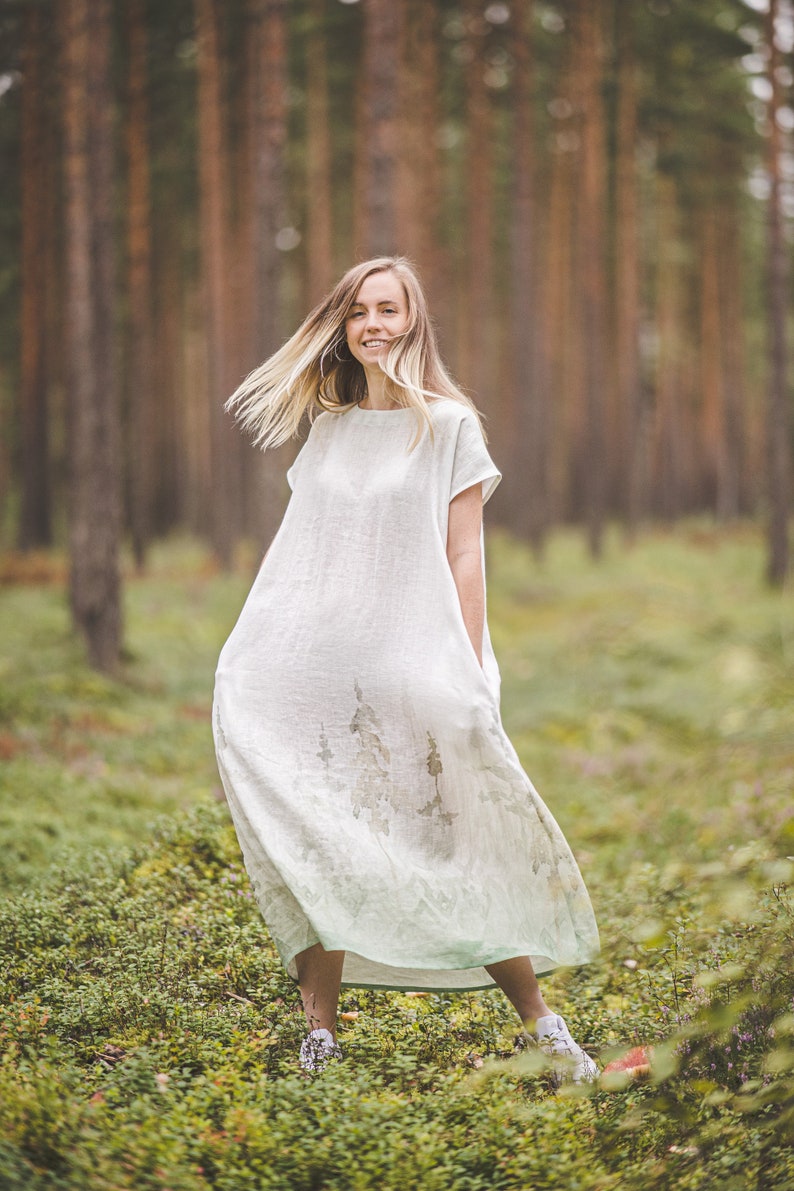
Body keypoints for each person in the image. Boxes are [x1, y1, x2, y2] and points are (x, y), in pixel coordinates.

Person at [213, 256, 600, 1081]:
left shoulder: (450, 424)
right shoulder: (329, 428)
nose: (373, 324)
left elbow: (465, 553)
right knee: (323, 847)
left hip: (418, 673)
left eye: (388, 309)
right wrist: (255, 650)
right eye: (358, 312)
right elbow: (302, 553)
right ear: (343, 328)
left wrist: (464, 664)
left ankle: (545, 1030)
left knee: (457, 852)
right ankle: (320, 1035)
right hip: (327, 683)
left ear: (413, 320)